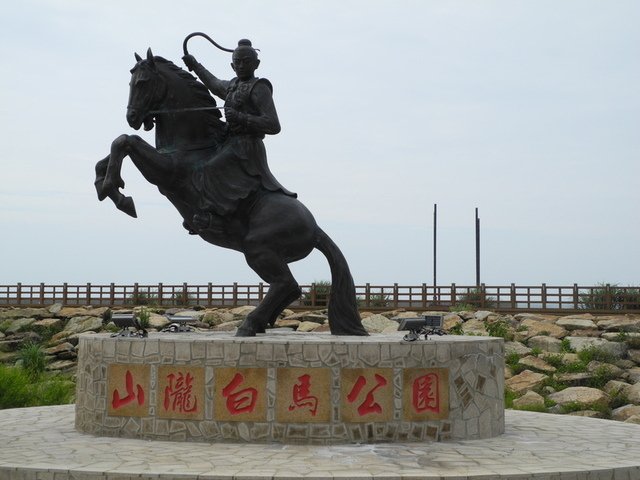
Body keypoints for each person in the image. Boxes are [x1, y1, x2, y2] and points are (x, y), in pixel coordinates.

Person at [182, 39, 295, 231]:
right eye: (238, 62)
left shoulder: (260, 87)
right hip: (229, 142)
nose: (241, 66)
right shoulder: (233, 85)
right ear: (232, 65)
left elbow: (273, 125)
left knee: (209, 169)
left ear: (256, 65)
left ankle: (214, 219)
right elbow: (214, 83)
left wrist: (241, 117)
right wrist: (195, 65)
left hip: (247, 147)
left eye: (246, 62)